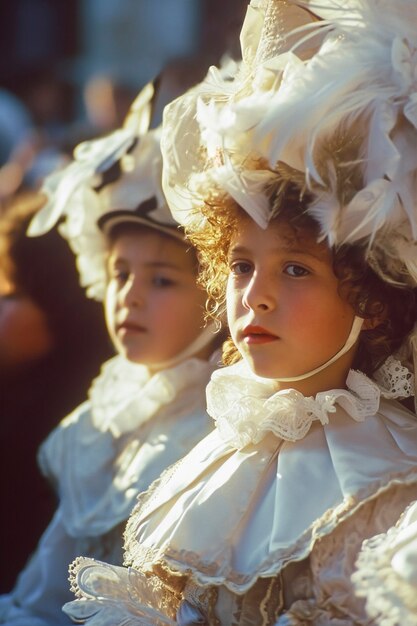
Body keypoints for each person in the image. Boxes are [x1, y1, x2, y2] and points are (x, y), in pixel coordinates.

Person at [0, 85, 221, 625]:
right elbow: (43, 591)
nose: (131, 296)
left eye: (163, 280)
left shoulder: (210, 431)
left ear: (216, 299)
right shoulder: (103, 410)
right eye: (119, 274)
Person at [0, 191, 112, 593]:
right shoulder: (16, 389)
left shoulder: (74, 428)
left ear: (64, 306)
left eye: (13, 294)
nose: (1, 305)